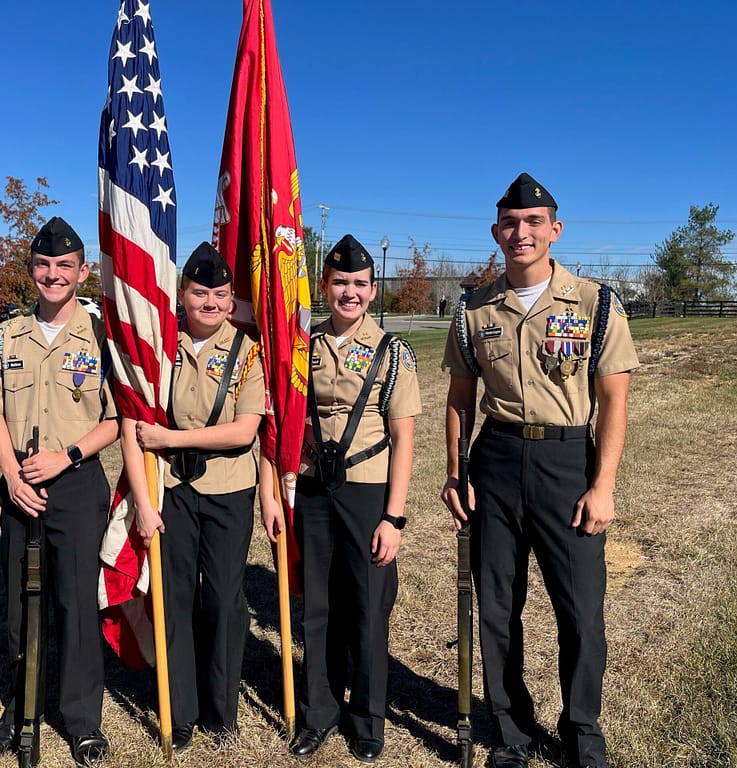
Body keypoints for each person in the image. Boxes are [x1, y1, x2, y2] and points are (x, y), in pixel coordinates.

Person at [440, 173, 639, 768]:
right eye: (510, 223)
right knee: (497, 607)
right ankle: (512, 732)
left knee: (580, 608)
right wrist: (456, 474)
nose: (520, 233)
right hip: (496, 462)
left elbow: (614, 401)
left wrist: (602, 487)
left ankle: (582, 731)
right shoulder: (474, 309)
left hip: (565, 463)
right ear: (496, 232)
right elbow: (458, 398)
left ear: (555, 230)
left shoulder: (595, 302)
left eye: (534, 223)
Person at [0, 216, 119, 766]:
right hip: (20, 487)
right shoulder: (7, 336)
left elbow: (117, 417)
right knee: (19, 607)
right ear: (31, 270)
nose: (53, 275)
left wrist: (68, 455)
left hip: (77, 487)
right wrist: (11, 474)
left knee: (75, 605)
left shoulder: (103, 336)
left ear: (82, 272)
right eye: (43, 265)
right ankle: (20, 712)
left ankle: (81, 721)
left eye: (64, 266)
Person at [270, 234, 420, 763]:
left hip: (367, 491)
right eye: (340, 283)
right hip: (314, 489)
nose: (349, 293)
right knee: (319, 609)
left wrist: (394, 517)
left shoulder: (392, 351)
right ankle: (319, 713)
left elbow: (404, 438)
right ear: (325, 287)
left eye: (359, 284)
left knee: (368, 609)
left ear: (373, 289)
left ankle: (368, 717)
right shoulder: (302, 347)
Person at [127, 242, 265, 751]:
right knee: (175, 598)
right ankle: (179, 709)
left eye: (220, 294)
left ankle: (221, 708)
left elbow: (243, 432)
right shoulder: (160, 351)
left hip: (229, 490)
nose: (209, 302)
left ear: (232, 302)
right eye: (199, 292)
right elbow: (132, 421)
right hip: (173, 493)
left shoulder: (249, 352)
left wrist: (171, 440)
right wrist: (145, 500)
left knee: (225, 600)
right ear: (181, 295)